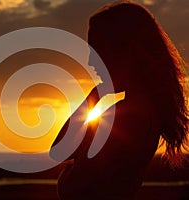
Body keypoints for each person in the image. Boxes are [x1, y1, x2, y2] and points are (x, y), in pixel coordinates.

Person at [50, 1, 189, 199]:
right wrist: (93, 96)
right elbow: (59, 152)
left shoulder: (127, 116)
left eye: (97, 48)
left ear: (125, 51)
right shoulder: (143, 111)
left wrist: (68, 174)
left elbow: (71, 188)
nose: (91, 61)